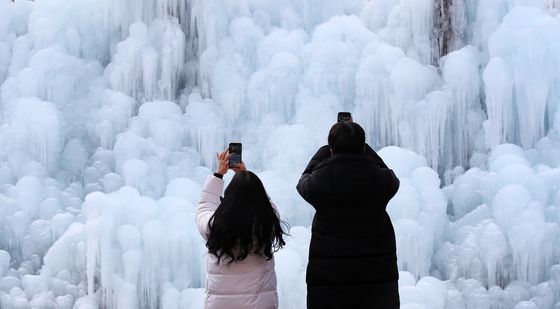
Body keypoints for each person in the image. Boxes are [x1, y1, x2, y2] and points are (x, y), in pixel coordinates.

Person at [297, 122, 401, 308]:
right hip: (375, 281)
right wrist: (364, 149)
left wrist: (324, 151)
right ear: (362, 146)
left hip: (330, 278)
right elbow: (389, 174)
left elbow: (303, 181)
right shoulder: (381, 180)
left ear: (331, 148)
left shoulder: (319, 182)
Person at [196, 149, 287, 309]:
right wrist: (247, 178)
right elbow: (268, 207)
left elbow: (204, 207)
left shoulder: (215, 226)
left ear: (230, 196)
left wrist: (218, 175)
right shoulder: (267, 223)